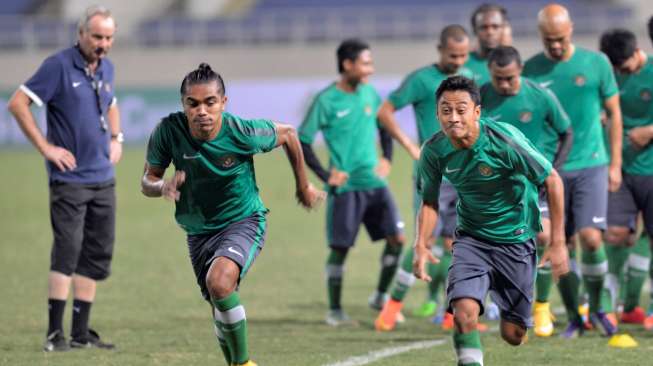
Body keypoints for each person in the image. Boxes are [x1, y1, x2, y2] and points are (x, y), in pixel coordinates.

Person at [141, 63, 324, 366]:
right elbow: (147, 181)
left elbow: (290, 134)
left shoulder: (242, 132)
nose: (202, 111)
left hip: (243, 220)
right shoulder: (167, 131)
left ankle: (243, 364)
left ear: (223, 103)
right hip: (198, 231)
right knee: (219, 301)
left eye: (210, 102)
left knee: (221, 282)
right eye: (193, 103)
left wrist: (303, 185)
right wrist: (161, 187)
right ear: (183, 105)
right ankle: (235, 362)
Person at [413, 75, 569, 365]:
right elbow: (430, 200)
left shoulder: (505, 141)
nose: (453, 117)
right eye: (445, 110)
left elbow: (553, 180)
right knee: (463, 314)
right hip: (472, 240)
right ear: (437, 114)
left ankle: (522, 312)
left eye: (461, 109)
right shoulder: (434, 151)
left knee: (514, 335)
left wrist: (558, 242)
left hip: (516, 240)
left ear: (477, 112)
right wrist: (420, 245)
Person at [7, 5, 121, 352]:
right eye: (97, 36)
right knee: (68, 252)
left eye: (108, 38)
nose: (103, 43)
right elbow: (17, 103)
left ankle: (81, 333)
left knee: (96, 253)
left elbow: (112, 103)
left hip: (103, 178)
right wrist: (46, 148)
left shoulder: (107, 68)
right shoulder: (58, 66)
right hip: (69, 180)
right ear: (81, 34)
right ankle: (56, 334)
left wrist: (117, 138)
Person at [523, 3, 623, 338]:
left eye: (560, 38)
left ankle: (597, 308)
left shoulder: (596, 64)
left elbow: (614, 112)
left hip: (592, 164)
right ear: (540, 35)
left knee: (592, 239)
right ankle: (575, 318)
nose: (554, 45)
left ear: (572, 30)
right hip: (552, 169)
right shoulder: (532, 70)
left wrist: (616, 163)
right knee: (554, 242)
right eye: (548, 39)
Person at [298, 39, 406, 326]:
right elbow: (303, 141)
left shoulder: (370, 94)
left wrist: (388, 158)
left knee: (398, 240)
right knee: (340, 248)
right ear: (348, 64)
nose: (370, 69)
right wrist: (324, 175)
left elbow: (384, 125)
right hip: (345, 189)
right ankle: (334, 310)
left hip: (374, 183)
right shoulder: (325, 100)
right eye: (365, 63)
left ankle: (381, 296)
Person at [374, 25, 472, 331]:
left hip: (463, 174)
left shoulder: (467, 80)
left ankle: (449, 314)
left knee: (455, 243)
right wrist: (410, 146)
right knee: (424, 238)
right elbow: (385, 112)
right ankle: (391, 308)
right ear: (440, 49)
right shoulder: (421, 80)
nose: (458, 60)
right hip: (432, 171)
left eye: (463, 55)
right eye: (452, 55)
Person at [480, 45, 573, 337]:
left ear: (520, 70)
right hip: (493, 187)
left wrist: (551, 170)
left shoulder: (540, 96)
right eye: (499, 79)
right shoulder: (479, 96)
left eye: (510, 78)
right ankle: (500, 301)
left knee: (544, 236)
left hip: (534, 184)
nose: (505, 84)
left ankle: (542, 305)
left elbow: (566, 131)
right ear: (490, 74)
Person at [599, 29, 653, 328]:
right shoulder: (609, 77)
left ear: (637, 51)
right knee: (616, 234)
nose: (621, 71)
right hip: (618, 168)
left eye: (624, 65)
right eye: (615, 67)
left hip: (651, 169)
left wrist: (649, 131)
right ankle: (609, 304)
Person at [466, 3, 510, 85]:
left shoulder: (515, 65)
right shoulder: (462, 65)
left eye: (495, 26)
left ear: (503, 28)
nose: (490, 32)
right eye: (484, 27)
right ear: (474, 30)